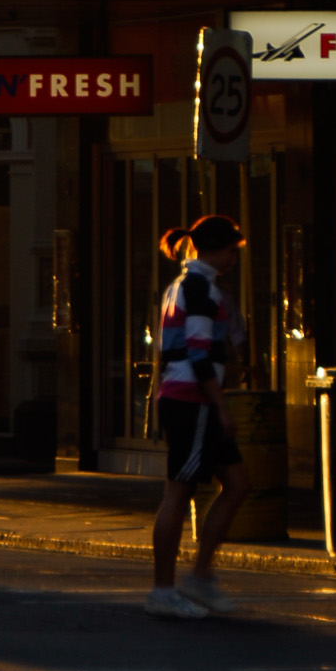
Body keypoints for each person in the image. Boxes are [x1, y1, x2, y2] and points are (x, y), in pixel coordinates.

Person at [146, 213, 251, 620]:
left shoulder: (181, 285)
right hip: (193, 399)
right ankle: (164, 587)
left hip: (186, 396)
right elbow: (199, 351)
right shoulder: (200, 289)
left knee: (239, 483)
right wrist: (221, 405)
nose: (234, 259)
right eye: (231, 251)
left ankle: (201, 575)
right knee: (179, 490)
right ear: (215, 249)